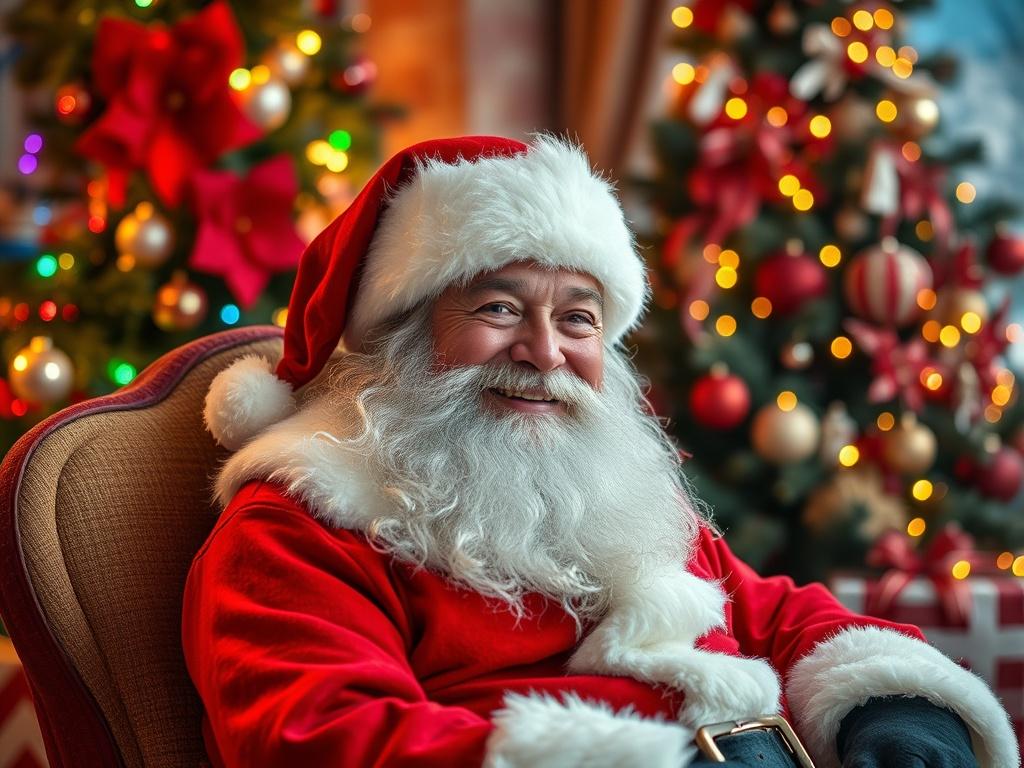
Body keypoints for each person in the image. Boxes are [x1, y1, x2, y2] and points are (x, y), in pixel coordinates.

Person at [182, 136, 1018, 768]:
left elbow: (770, 612)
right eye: (501, 308)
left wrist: (897, 709)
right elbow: (328, 740)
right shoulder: (300, 526)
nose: (546, 352)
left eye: (578, 318)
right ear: (398, 339)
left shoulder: (597, 493)